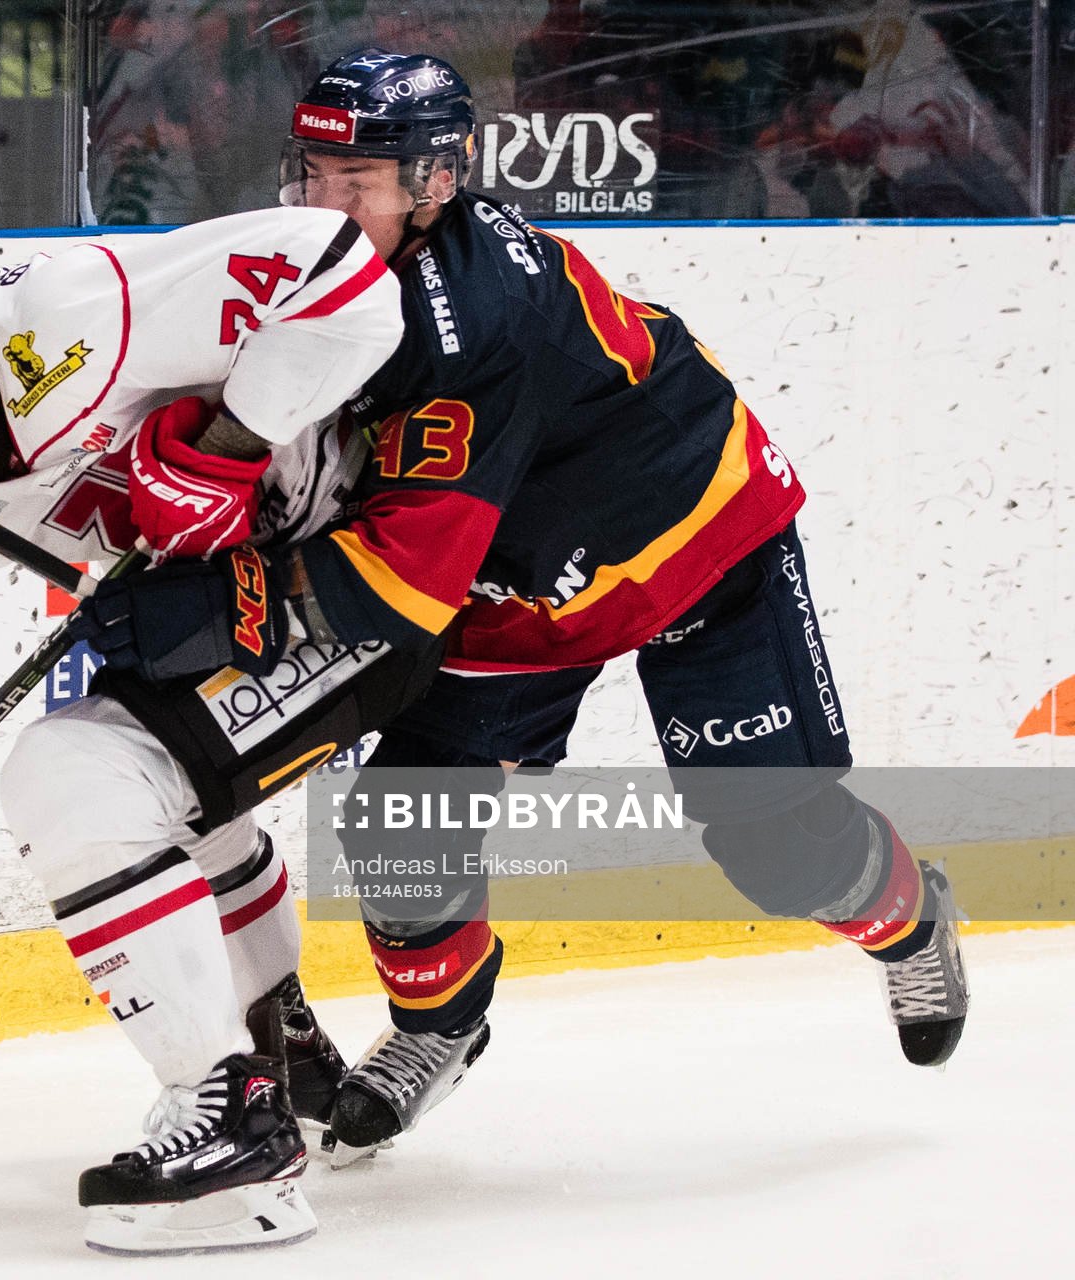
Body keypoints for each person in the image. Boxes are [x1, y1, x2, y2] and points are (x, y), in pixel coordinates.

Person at [76, 48, 971, 1167]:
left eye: (359, 183)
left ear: (437, 182)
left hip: (690, 540)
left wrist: (222, 599)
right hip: (517, 582)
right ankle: (440, 1027)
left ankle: (913, 922)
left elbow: (399, 579)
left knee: (778, 844)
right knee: (400, 822)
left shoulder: (474, 323)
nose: (323, 208)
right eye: (312, 174)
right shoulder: (317, 274)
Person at [0, 207, 411, 1252]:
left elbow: (342, 273)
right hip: (239, 612)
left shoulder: (75, 315)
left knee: (74, 776)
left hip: (370, 567)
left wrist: (226, 452)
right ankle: (279, 1053)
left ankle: (232, 1128)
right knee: (160, 794)